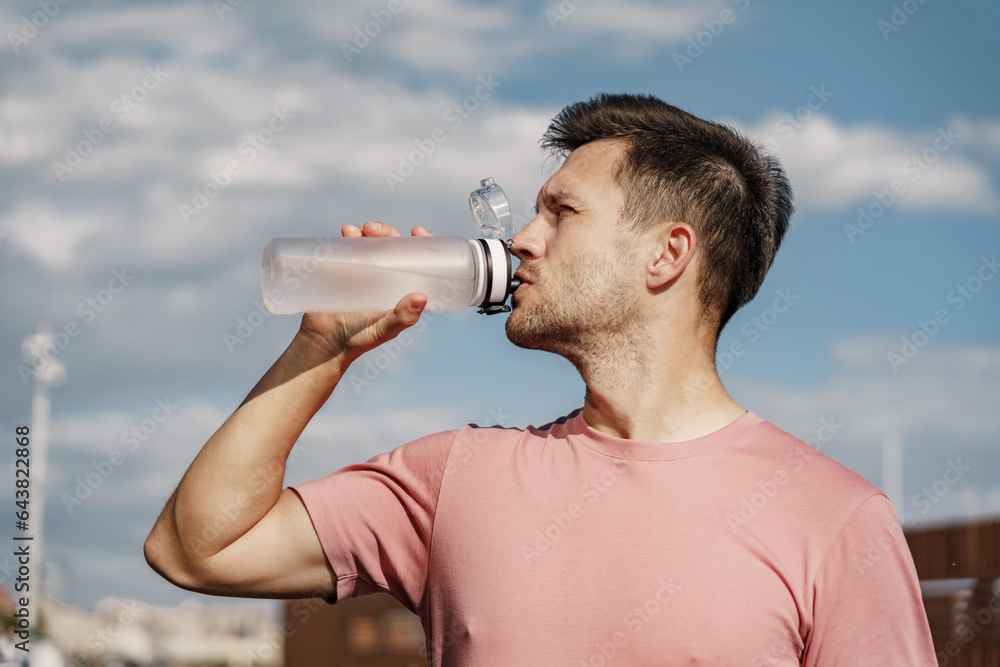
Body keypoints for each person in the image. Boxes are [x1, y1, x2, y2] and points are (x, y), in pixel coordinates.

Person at [144, 93, 936, 664]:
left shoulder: (836, 518)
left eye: (563, 212)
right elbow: (196, 549)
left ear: (668, 253)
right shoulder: (454, 475)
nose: (522, 239)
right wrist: (320, 351)